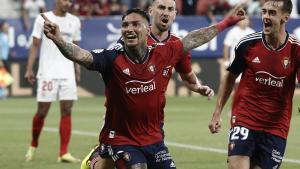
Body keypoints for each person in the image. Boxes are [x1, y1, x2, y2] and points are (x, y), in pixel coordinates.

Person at [42, 6, 244, 169]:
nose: (129, 29)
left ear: (147, 30)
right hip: (120, 137)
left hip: (154, 136)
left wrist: (228, 22)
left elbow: (195, 38)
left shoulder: (165, 51)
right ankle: (102, 154)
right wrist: (59, 39)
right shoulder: (112, 57)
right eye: (125, 25)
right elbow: (82, 56)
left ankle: (98, 159)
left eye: (135, 24)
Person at [80, 0, 216, 168]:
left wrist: (197, 86)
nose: (165, 12)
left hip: (153, 119)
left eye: (170, 9)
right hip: (121, 116)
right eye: (161, 8)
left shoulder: (176, 45)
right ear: (151, 11)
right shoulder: (132, 37)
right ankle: (95, 158)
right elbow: (111, 66)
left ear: (175, 14)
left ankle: (95, 159)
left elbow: (187, 76)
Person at [209, 0, 300, 169]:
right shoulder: (248, 44)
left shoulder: (296, 50)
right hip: (245, 118)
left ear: (285, 17)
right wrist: (217, 112)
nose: (265, 16)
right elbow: (230, 77)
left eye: (272, 13)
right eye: (264, 12)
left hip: (276, 126)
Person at [24, 0, 81, 163]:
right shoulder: (43, 18)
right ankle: (33, 144)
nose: (68, 3)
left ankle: (63, 153)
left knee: (67, 110)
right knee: (42, 111)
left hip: (67, 72)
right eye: (65, 0)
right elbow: (35, 45)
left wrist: (77, 70)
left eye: (71, 1)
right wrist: (29, 68)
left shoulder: (74, 21)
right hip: (47, 72)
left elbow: (76, 47)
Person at [0, 20, 11, 99]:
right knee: (2, 77)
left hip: (5, 59)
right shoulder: (1, 36)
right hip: (2, 59)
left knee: (4, 77)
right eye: (6, 26)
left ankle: (2, 93)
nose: (7, 28)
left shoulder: (5, 36)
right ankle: (1, 94)